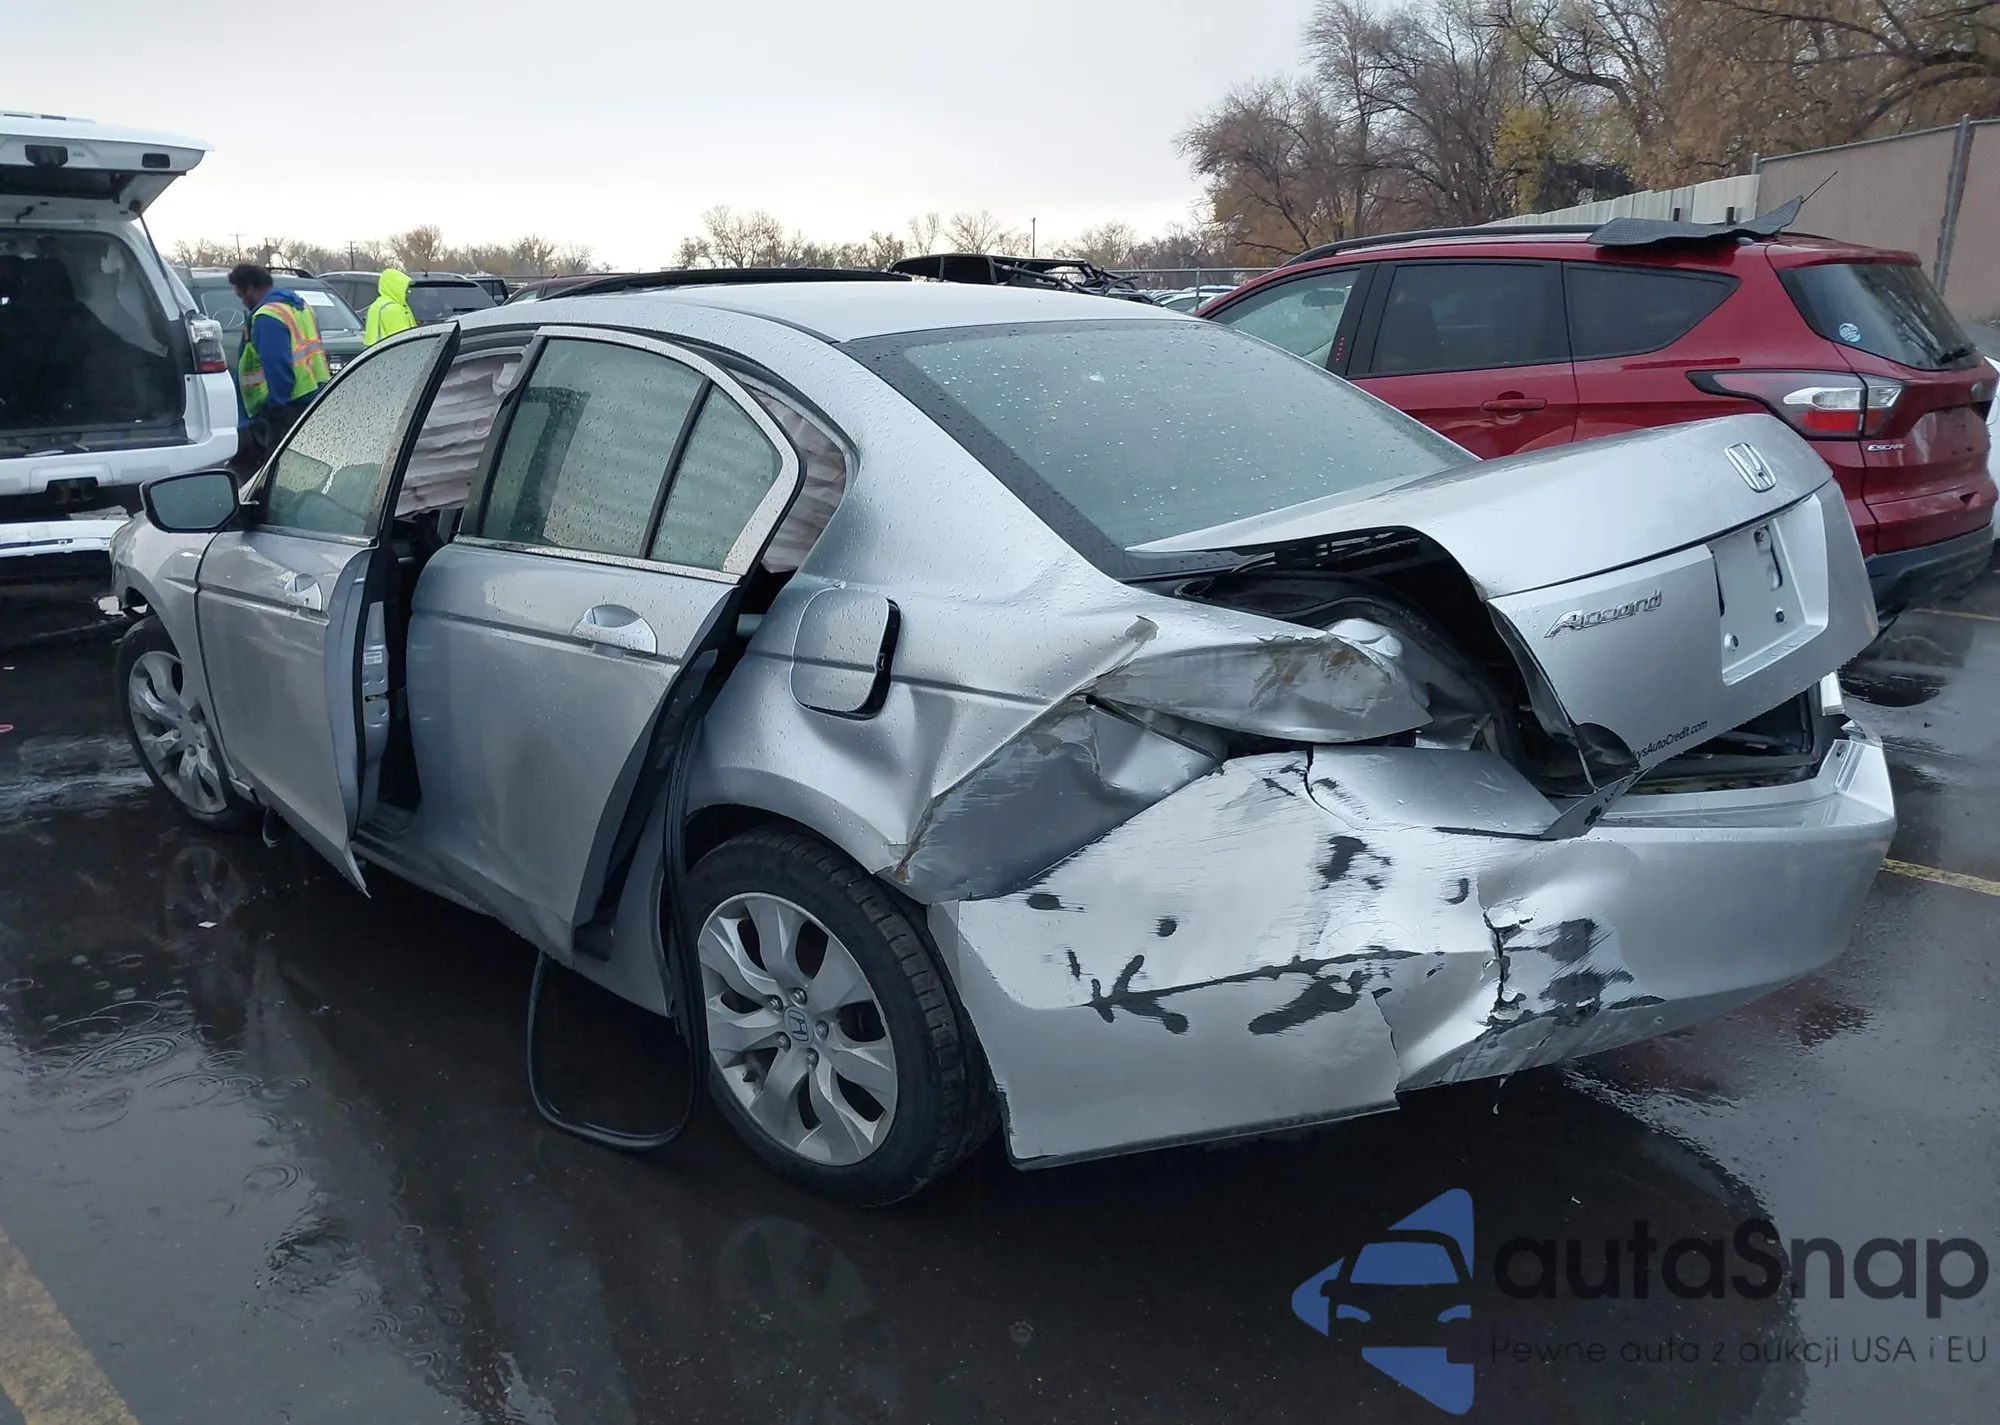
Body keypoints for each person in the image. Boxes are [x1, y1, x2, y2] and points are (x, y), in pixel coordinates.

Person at [227, 263, 329, 479]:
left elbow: (277, 365)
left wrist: (275, 407)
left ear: (250, 289)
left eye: (241, 295)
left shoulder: (267, 316)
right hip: (312, 395)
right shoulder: (300, 306)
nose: (243, 302)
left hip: (286, 406)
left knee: (279, 472)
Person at [364, 268, 417, 346]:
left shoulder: (377, 305)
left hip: (375, 351)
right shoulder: (393, 309)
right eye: (405, 289)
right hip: (392, 351)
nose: (408, 292)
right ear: (396, 287)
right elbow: (403, 340)